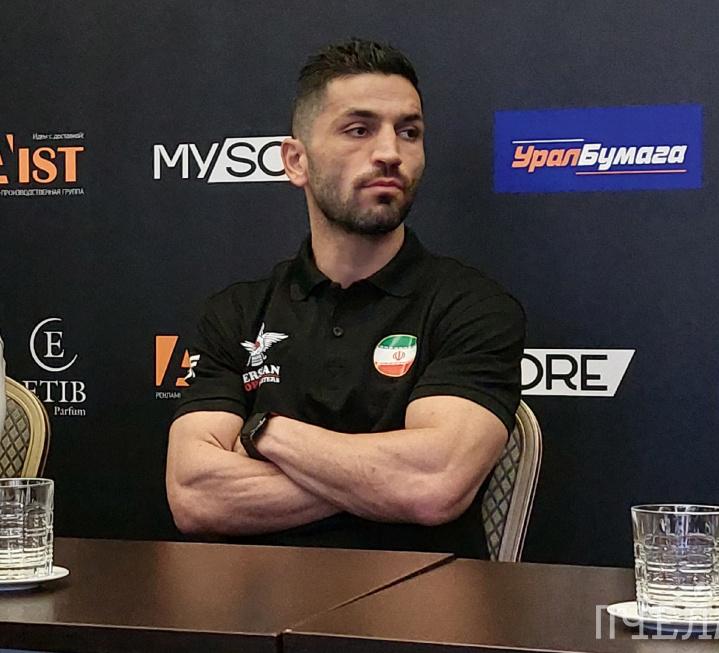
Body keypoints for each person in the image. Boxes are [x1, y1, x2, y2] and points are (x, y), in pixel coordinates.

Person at [165, 39, 525, 559]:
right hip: (257, 599)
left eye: (409, 132)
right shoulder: (235, 313)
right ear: (296, 161)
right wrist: (377, 481)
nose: (390, 153)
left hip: (419, 600)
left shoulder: (473, 307)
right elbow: (195, 497)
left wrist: (264, 431)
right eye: (359, 130)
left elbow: (432, 485)